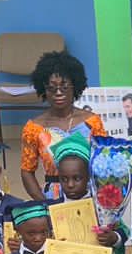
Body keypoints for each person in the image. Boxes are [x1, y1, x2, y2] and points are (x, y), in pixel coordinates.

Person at [20, 50, 106, 201]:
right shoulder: (34, 128)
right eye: (52, 88)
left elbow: (103, 164)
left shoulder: (92, 122)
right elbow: (27, 171)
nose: (58, 93)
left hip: (89, 196)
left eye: (64, 87)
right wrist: (44, 204)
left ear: (75, 87)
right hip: (53, 198)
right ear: (43, 90)